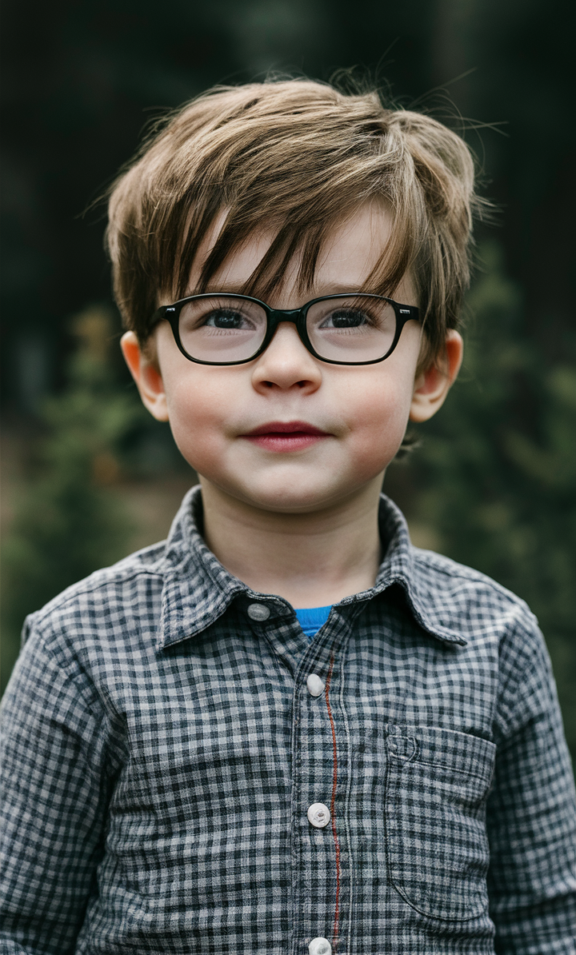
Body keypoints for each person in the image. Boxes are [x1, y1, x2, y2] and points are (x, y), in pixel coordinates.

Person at [1, 80, 575, 955]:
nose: (285, 364)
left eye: (347, 317)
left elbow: (547, 925)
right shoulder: (81, 650)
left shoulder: (496, 643)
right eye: (226, 318)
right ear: (152, 373)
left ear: (429, 373)